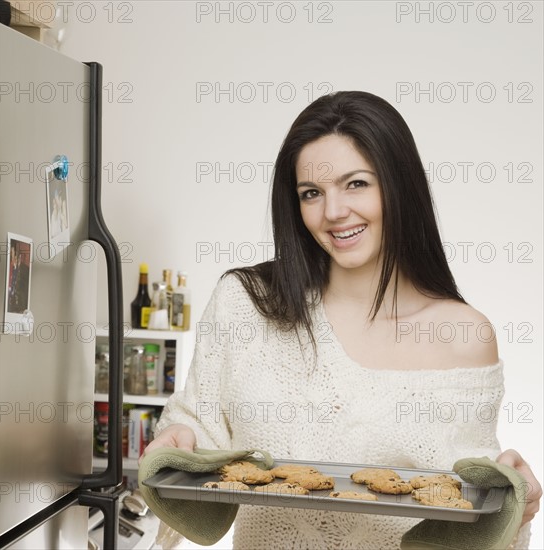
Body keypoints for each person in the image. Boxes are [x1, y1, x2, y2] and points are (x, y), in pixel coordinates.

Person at [143, 91, 541, 549]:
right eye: (311, 193)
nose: (333, 212)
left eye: (356, 184)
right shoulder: (247, 303)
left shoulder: (464, 335)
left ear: (399, 186)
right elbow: (200, 425)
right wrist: (177, 439)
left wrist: (516, 503)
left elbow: (471, 509)